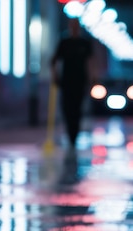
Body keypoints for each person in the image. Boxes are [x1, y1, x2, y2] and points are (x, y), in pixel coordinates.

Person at [50, 18, 94, 149]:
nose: (74, 28)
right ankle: (70, 134)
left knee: (77, 109)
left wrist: (92, 79)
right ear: (69, 27)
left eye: (76, 26)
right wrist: (55, 76)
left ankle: (74, 135)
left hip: (80, 82)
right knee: (67, 108)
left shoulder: (84, 43)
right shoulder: (64, 43)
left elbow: (91, 62)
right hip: (66, 82)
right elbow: (54, 61)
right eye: (72, 26)